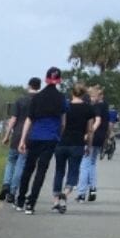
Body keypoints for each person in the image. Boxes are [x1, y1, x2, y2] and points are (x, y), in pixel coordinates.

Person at [16, 66, 67, 214]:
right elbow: (63, 122)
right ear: (58, 80)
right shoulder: (61, 98)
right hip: (51, 139)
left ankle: (20, 201)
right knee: (41, 171)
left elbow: (29, 120)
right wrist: (59, 135)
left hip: (35, 136)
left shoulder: (37, 97)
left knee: (28, 168)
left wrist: (22, 140)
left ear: (46, 79)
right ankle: (31, 204)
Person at [52, 82, 98, 214]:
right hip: (77, 143)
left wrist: (58, 138)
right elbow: (90, 130)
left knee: (59, 171)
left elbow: (62, 125)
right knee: (73, 172)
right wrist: (89, 145)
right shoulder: (89, 109)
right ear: (84, 94)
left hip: (62, 143)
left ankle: (55, 201)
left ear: (72, 93)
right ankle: (65, 194)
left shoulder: (65, 107)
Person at [0, 78, 39, 204]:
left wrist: (6, 135)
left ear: (29, 86)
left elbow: (13, 119)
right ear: (39, 87)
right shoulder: (39, 101)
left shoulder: (20, 100)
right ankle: (12, 191)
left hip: (16, 135)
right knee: (21, 164)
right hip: (30, 135)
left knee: (11, 161)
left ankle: (6, 184)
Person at [78, 84, 111, 193]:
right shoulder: (105, 106)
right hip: (100, 138)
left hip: (93, 137)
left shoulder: (96, 107)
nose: (90, 99)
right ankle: (92, 187)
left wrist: (89, 133)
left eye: (92, 96)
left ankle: (81, 192)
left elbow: (97, 121)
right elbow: (108, 124)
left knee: (85, 164)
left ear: (97, 96)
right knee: (92, 163)